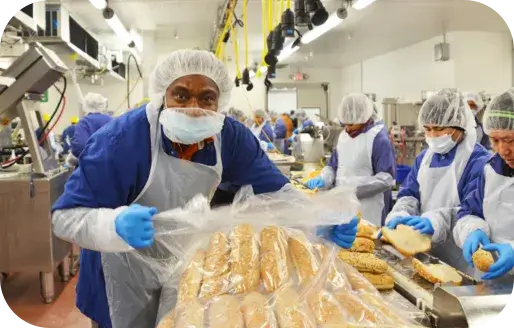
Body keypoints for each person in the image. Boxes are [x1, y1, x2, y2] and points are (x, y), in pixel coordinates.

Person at [51, 49, 358, 328]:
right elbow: (65, 218)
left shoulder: (231, 139)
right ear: (162, 96)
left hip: (182, 270)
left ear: (220, 101)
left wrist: (316, 223)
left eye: (207, 98)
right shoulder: (120, 142)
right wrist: (113, 225)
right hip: (118, 273)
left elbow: (277, 195)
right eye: (181, 96)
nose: (194, 108)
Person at [382, 89, 490, 275]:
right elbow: (410, 194)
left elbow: (473, 211)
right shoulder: (424, 158)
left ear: (459, 125)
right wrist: (400, 213)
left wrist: (436, 221)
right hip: (424, 253)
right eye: (427, 129)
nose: (432, 135)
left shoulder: (478, 161)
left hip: (460, 257)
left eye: (439, 129)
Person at [305, 93, 396, 227]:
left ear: (364, 119)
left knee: (366, 242)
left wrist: (353, 191)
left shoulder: (378, 139)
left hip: (369, 210)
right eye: (344, 123)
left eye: (351, 124)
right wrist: (324, 179)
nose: (347, 128)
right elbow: (333, 166)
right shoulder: (344, 137)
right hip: (342, 206)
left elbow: (386, 179)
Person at [454, 88, 514, 281]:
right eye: (495, 140)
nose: (502, 150)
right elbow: (470, 211)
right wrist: (474, 230)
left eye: (509, 140)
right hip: (493, 285)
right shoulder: (491, 170)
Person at [70, 93, 112, 159]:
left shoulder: (84, 122)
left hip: (91, 165)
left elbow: (80, 146)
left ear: (85, 106)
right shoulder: (111, 120)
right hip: (111, 164)